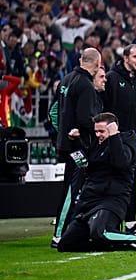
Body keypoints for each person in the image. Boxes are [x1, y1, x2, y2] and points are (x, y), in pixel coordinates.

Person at [57, 112, 136, 252]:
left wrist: (114, 136)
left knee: (101, 232)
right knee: (66, 244)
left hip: (111, 200)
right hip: (89, 201)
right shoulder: (96, 145)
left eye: (101, 131)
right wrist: (74, 143)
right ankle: (118, 244)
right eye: (96, 131)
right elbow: (83, 165)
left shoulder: (127, 142)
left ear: (112, 129)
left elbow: (121, 162)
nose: (98, 135)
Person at [102, 44, 136, 231]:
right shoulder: (110, 79)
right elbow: (102, 110)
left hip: (131, 139)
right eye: (135, 57)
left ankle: (131, 222)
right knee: (112, 180)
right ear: (125, 58)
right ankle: (110, 221)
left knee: (131, 181)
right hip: (112, 139)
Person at [52, 47, 102, 248]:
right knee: (73, 190)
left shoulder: (66, 80)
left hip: (65, 143)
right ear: (97, 63)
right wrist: (98, 127)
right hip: (77, 147)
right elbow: (84, 119)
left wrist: (62, 132)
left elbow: (54, 112)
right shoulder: (85, 85)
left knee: (72, 188)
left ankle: (70, 230)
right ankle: (59, 234)